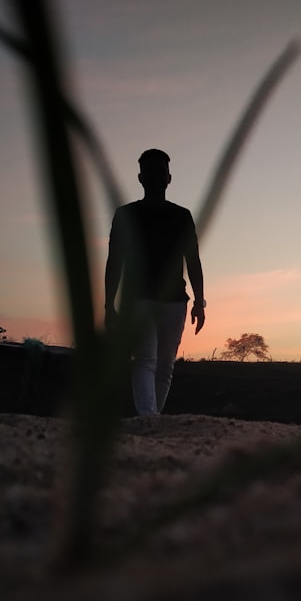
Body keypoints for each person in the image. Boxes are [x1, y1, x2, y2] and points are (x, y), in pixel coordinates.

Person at [104, 149, 205, 416]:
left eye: (160, 170)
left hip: (174, 301)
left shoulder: (182, 216)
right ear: (140, 177)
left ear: (169, 177)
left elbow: (192, 260)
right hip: (137, 300)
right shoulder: (126, 214)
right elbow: (115, 260)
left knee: (165, 366)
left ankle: (152, 420)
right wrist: (108, 304)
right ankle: (148, 419)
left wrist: (199, 302)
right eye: (149, 171)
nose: (155, 176)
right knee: (146, 359)